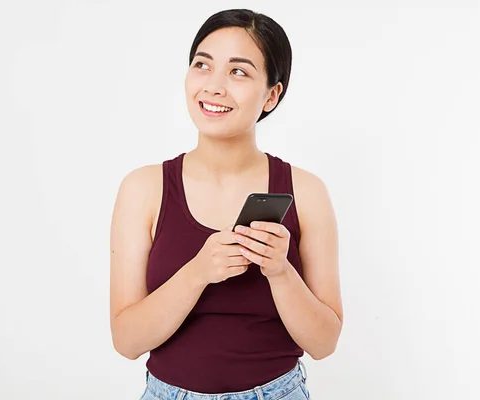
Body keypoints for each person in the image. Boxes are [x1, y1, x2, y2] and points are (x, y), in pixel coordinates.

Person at [109, 8, 343, 400]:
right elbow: (126, 341)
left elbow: (324, 343)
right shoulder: (143, 188)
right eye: (203, 65)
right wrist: (198, 272)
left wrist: (280, 272)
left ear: (272, 95)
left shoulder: (306, 192)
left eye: (238, 71)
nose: (214, 86)